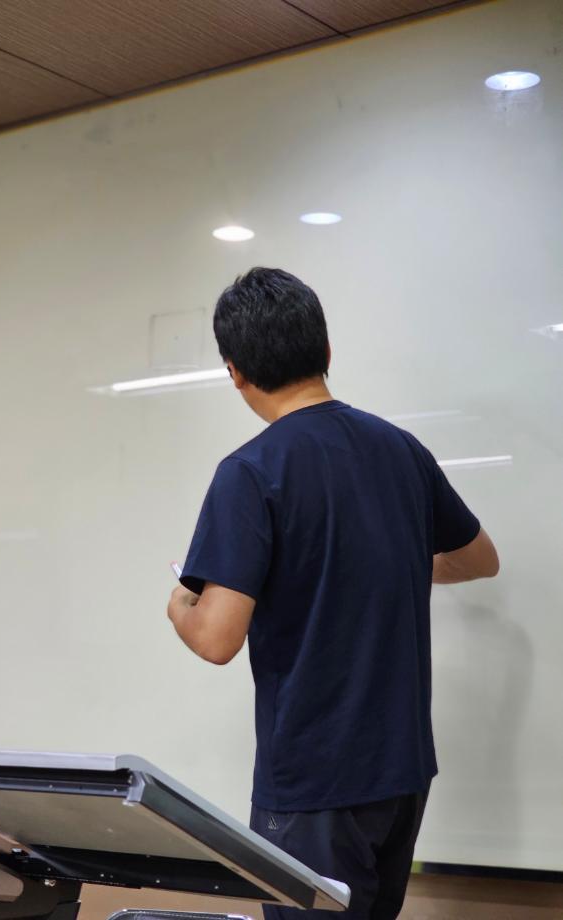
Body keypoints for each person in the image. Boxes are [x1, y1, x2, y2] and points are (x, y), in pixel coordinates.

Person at [167, 268, 499, 920]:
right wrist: (385, 557)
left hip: (313, 784)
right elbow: (478, 558)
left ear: (235, 372)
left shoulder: (249, 472)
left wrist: (179, 604)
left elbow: (216, 639)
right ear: (325, 350)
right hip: (402, 771)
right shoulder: (401, 450)